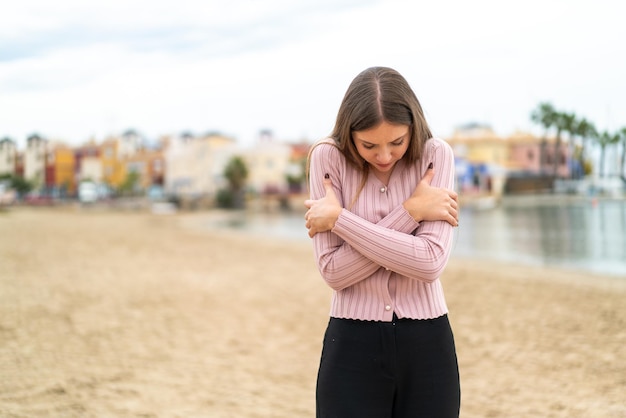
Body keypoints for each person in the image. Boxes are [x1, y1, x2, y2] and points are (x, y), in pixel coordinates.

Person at [304, 66, 461, 418]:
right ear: (350, 134)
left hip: (428, 345)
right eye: (369, 145)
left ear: (413, 129)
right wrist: (413, 212)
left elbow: (429, 262)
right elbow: (333, 272)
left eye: (398, 142)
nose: (385, 156)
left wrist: (340, 220)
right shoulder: (327, 158)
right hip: (350, 344)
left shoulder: (436, 156)